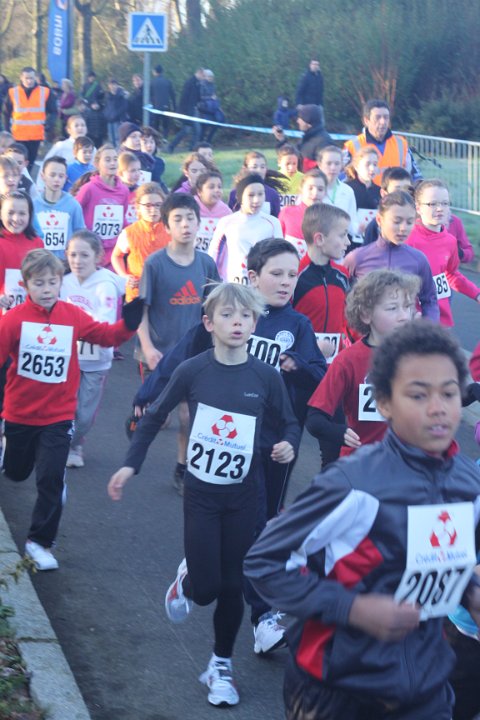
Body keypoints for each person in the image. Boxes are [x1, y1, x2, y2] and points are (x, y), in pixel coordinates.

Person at [245, 319, 480, 720]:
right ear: (384, 403)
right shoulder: (353, 484)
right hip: (336, 685)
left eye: (449, 393)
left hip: (424, 683)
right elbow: (263, 561)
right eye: (418, 395)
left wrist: (469, 593)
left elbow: (439, 560)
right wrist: (353, 608)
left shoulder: (468, 485)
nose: (438, 408)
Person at [108, 282, 301, 707]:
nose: (238, 323)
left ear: (254, 324)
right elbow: (155, 415)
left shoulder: (265, 377)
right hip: (201, 495)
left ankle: (220, 664)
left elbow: (288, 422)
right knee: (208, 588)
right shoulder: (193, 370)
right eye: (228, 315)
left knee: (233, 583)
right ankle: (188, 580)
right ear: (209, 323)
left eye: (246, 316)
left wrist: (287, 444)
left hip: (245, 495)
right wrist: (129, 465)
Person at [0, 248, 143, 571]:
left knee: (50, 479)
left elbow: (105, 336)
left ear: (60, 283)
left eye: (52, 282)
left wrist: (129, 323)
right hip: (20, 413)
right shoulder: (13, 320)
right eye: (39, 283)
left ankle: (39, 542)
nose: (47, 289)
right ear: (26, 285)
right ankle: (9, 449)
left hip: (59, 415)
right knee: (16, 472)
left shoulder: (72, 315)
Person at [307, 269, 419, 463]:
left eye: (407, 306)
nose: (403, 316)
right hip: (362, 465)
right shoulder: (348, 360)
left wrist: (468, 392)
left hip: (407, 464)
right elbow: (315, 419)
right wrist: (339, 432)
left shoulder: (420, 356)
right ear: (366, 315)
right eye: (393, 308)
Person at [61, 231, 126, 468]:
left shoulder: (106, 284)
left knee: (84, 415)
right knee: (62, 408)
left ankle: (76, 441)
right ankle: (64, 445)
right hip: (66, 359)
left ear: (98, 257)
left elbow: (105, 323)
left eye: (84, 255)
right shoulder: (63, 282)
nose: (78, 261)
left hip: (95, 361)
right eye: (73, 255)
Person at [344, 190, 440, 322]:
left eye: (409, 222)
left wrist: (428, 327)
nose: (403, 228)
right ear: (379, 220)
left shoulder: (419, 260)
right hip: (364, 333)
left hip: (405, 332)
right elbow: (342, 298)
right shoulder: (356, 258)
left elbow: (430, 300)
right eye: (397, 221)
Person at [406, 178, 480, 327]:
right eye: (432, 204)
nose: (440, 208)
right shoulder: (408, 239)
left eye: (445, 203)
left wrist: (477, 294)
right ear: (418, 208)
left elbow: (451, 274)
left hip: (442, 319)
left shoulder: (450, 241)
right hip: (414, 320)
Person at [209, 174, 282, 283]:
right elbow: (213, 254)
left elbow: (280, 256)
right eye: (251, 195)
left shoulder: (273, 223)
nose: (256, 200)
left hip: (262, 287)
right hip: (233, 286)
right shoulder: (226, 222)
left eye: (260, 194)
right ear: (240, 197)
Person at [111, 182, 169, 302]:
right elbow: (116, 256)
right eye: (148, 205)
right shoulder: (129, 232)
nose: (153, 210)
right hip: (136, 295)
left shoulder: (171, 231)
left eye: (158, 205)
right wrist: (124, 276)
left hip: (164, 294)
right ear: (138, 207)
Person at [74, 143, 129, 267]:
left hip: (113, 251)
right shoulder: (89, 188)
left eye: (115, 159)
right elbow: (74, 211)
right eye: (108, 160)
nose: (113, 163)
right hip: (91, 248)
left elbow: (122, 217)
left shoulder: (124, 190)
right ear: (97, 164)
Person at [343, 98, 417, 186]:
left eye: (386, 117)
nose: (383, 122)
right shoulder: (352, 146)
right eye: (377, 117)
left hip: (396, 193)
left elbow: (416, 175)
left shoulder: (401, 143)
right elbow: (342, 178)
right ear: (366, 121)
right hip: (364, 193)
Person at [33, 156, 85, 260]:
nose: (57, 179)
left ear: (66, 178)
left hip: (64, 263)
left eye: (61, 176)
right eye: (52, 175)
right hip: (39, 262)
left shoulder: (73, 205)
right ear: (43, 176)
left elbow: (80, 234)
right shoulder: (33, 205)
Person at [4, 67, 57, 169]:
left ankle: (26, 178)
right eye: (27, 78)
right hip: (17, 135)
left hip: (35, 135)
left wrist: (49, 124)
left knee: (30, 162)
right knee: (16, 162)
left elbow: (54, 111)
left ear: (35, 78)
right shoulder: (13, 92)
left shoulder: (45, 92)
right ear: (21, 78)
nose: (29, 81)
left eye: (31, 78)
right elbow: (6, 113)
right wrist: (7, 130)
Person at [0, 191, 43, 313]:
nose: (16, 218)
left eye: (22, 213)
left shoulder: (37, 243)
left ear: (30, 215)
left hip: (30, 312)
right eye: (10, 213)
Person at [279, 169, 327, 259]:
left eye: (320, 189)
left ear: (325, 192)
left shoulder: (330, 217)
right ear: (301, 189)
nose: (315, 193)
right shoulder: (287, 212)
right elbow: (277, 242)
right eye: (310, 188)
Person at [273, 104, 333, 171]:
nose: (298, 121)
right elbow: (292, 155)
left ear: (309, 123)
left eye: (300, 118)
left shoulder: (324, 142)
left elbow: (323, 169)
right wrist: (281, 140)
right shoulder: (307, 137)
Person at [363, 166, 413, 245]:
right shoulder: (375, 226)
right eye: (397, 190)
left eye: (407, 190)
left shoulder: (420, 221)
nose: (403, 195)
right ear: (384, 193)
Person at [344, 145, 381, 245]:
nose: (372, 168)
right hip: (349, 242)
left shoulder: (380, 191)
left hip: (372, 242)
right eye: (367, 164)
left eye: (375, 164)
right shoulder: (347, 188)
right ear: (356, 166)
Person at [228, 150, 283, 217]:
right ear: (245, 168)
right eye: (254, 167)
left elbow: (276, 218)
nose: (259, 170)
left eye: (262, 167)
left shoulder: (273, 194)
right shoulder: (234, 193)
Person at [194, 170, 232, 253]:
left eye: (219, 187)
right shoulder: (190, 208)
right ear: (199, 192)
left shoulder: (226, 212)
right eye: (211, 187)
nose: (217, 190)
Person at [167, 69, 204, 153]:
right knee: (196, 130)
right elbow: (184, 98)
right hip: (188, 111)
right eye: (203, 75)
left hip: (192, 110)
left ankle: (172, 146)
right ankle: (191, 148)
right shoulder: (190, 83)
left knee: (186, 131)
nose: (203, 78)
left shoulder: (197, 83)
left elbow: (197, 97)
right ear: (199, 73)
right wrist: (184, 112)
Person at [198, 69, 224, 144]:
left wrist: (218, 105)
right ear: (205, 76)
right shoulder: (201, 85)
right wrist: (210, 98)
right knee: (204, 127)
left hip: (213, 109)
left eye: (212, 77)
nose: (211, 78)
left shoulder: (213, 85)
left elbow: (214, 97)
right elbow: (200, 97)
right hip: (204, 109)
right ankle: (200, 143)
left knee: (216, 124)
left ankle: (208, 141)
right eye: (209, 76)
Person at [150, 64, 176, 138]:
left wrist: (152, 104)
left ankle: (156, 139)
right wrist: (174, 107)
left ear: (154, 72)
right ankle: (165, 139)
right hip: (166, 107)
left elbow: (150, 95)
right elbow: (173, 95)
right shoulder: (167, 82)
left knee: (156, 126)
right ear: (162, 72)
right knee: (166, 126)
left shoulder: (152, 82)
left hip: (155, 107)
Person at [139, 126, 168, 191]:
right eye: (145, 142)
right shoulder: (136, 161)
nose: (149, 145)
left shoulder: (159, 162)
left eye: (151, 142)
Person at [117, 150, 141, 224]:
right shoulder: (115, 192)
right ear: (120, 173)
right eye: (132, 171)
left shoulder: (141, 192)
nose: (137, 174)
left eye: (138, 170)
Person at [103, 79, 127, 146]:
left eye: (114, 84)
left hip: (118, 120)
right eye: (111, 85)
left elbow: (124, 107)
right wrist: (106, 115)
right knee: (111, 139)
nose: (113, 86)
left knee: (118, 138)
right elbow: (105, 107)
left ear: (117, 85)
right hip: (109, 120)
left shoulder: (121, 95)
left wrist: (116, 115)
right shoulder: (107, 95)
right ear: (109, 86)